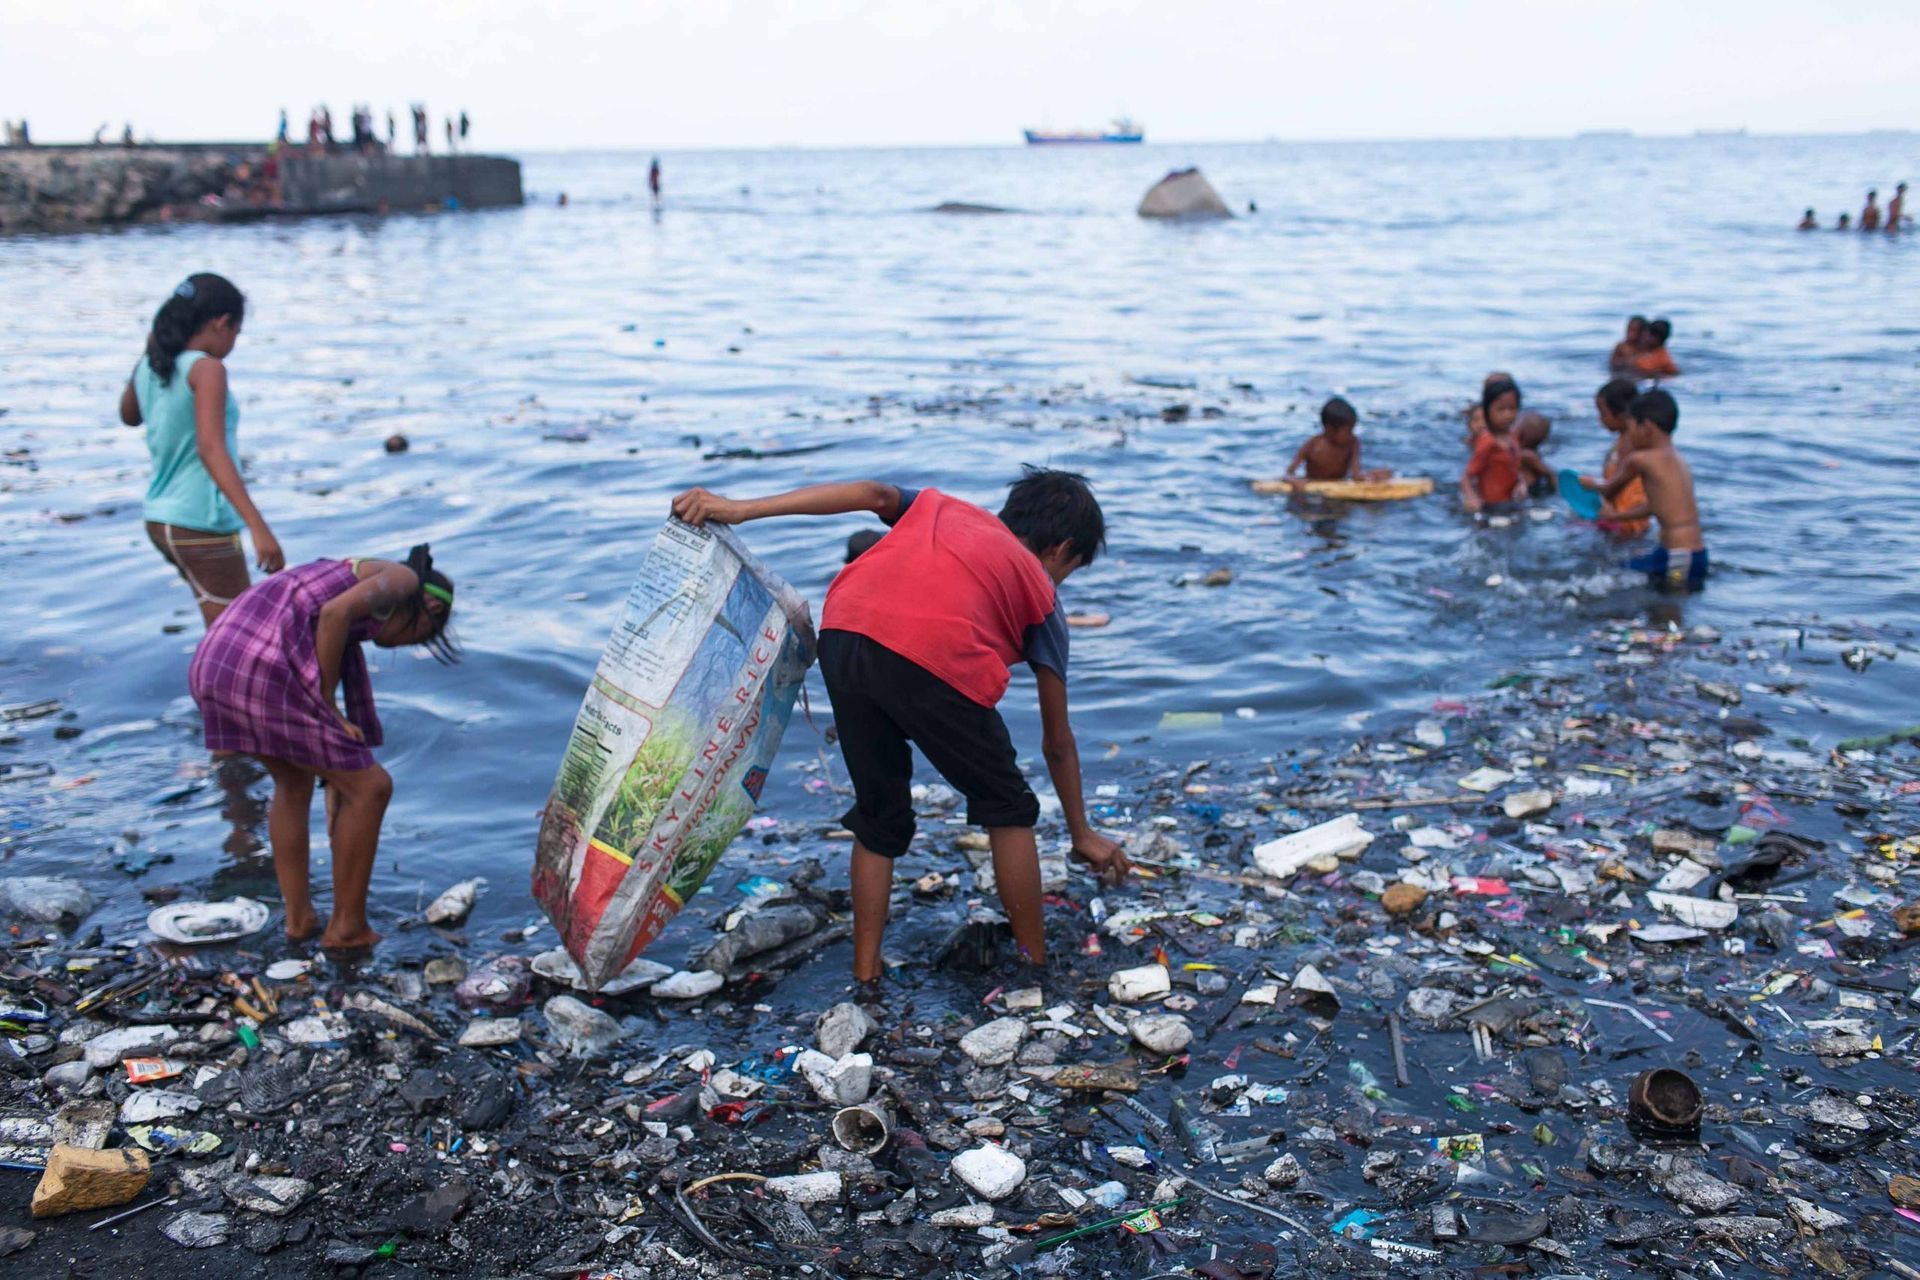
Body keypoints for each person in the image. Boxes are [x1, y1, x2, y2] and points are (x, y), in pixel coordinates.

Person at [669, 470, 1129, 982]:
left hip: (844, 632)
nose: (1058, 584)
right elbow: (1057, 742)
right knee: (1008, 807)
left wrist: (738, 508)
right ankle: (1033, 965)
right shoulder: (1043, 601)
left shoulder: (941, 507)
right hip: (932, 655)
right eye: (1067, 571)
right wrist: (1080, 831)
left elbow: (872, 493)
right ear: (1063, 548)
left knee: (879, 814)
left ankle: (866, 974)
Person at [189, 548, 456, 950]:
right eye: (419, 635)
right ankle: (347, 928)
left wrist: (335, 772)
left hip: (218, 661)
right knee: (371, 787)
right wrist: (326, 704)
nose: (400, 645)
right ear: (429, 606)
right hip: (258, 666)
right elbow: (334, 614)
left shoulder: (351, 573)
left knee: (293, 782)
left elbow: (324, 623)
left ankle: (299, 921)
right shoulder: (403, 580)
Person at [119, 275, 283, 626]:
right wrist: (258, 526)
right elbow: (210, 448)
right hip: (200, 522)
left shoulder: (152, 363)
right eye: (236, 332)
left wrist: (149, 353)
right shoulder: (207, 369)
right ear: (221, 323)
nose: (234, 342)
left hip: (161, 519)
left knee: (221, 628)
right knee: (238, 639)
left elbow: (128, 415)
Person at [1581, 388, 1705, 592]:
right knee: (1631, 574)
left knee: (1671, 602)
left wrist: (1583, 482)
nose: (1630, 436)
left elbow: (1608, 489)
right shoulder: (1677, 459)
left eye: (1631, 428)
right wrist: (1618, 516)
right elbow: (1656, 506)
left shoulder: (1641, 459)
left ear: (1646, 427)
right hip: (1688, 553)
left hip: (1678, 558)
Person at [1284, 396, 1388, 484]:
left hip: (1338, 487)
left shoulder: (1353, 443)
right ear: (1329, 429)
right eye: (1348, 431)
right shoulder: (1313, 444)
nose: (1352, 434)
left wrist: (1371, 476)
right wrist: (1294, 481)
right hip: (1314, 488)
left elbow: (1356, 475)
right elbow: (1288, 473)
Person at [1461, 378, 1528, 514]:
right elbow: (1466, 477)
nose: (1508, 414)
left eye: (1512, 409)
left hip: (1511, 503)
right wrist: (1472, 498)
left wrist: (1522, 483)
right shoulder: (1488, 442)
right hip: (1490, 507)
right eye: (1501, 410)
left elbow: (1515, 467)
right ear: (1487, 411)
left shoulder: (1513, 436)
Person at [1593, 377, 1648, 538]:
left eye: (1603, 414)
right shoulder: (1624, 440)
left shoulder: (1629, 443)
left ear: (1622, 414)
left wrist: (1590, 485)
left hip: (1627, 517)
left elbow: (1615, 486)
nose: (1600, 420)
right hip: (1624, 514)